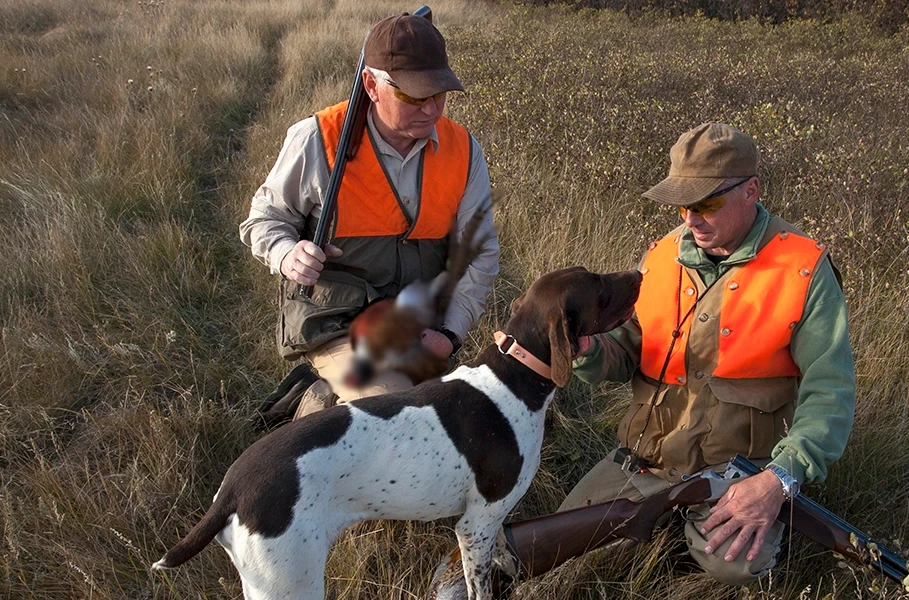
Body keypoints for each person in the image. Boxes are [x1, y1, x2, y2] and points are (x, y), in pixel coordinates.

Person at [563, 123, 856, 585]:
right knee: (561, 547)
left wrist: (777, 481)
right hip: (647, 458)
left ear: (751, 191)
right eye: (683, 205)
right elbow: (629, 349)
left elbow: (831, 392)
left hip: (737, 475)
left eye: (707, 204)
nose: (691, 219)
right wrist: (585, 350)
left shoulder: (803, 268)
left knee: (735, 565)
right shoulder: (660, 257)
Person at [240, 13, 499, 419]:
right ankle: (321, 412)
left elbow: (479, 253)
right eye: (414, 96)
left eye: (440, 93)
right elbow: (264, 218)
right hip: (336, 316)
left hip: (413, 322)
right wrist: (287, 253)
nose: (431, 109)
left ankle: (322, 397)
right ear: (371, 86)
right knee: (393, 415)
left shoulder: (464, 150)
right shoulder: (317, 139)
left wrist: (450, 333)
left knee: (454, 419)